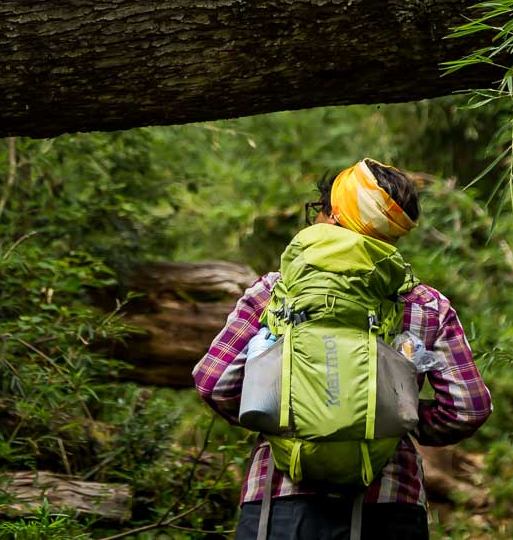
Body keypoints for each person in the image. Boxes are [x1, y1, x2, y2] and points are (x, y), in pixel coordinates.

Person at [193, 159, 492, 540]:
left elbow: (213, 382)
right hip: (389, 505)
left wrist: (286, 415)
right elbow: (468, 408)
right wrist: (393, 416)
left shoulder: (275, 291)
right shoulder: (425, 304)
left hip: (280, 502)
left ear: (333, 215)